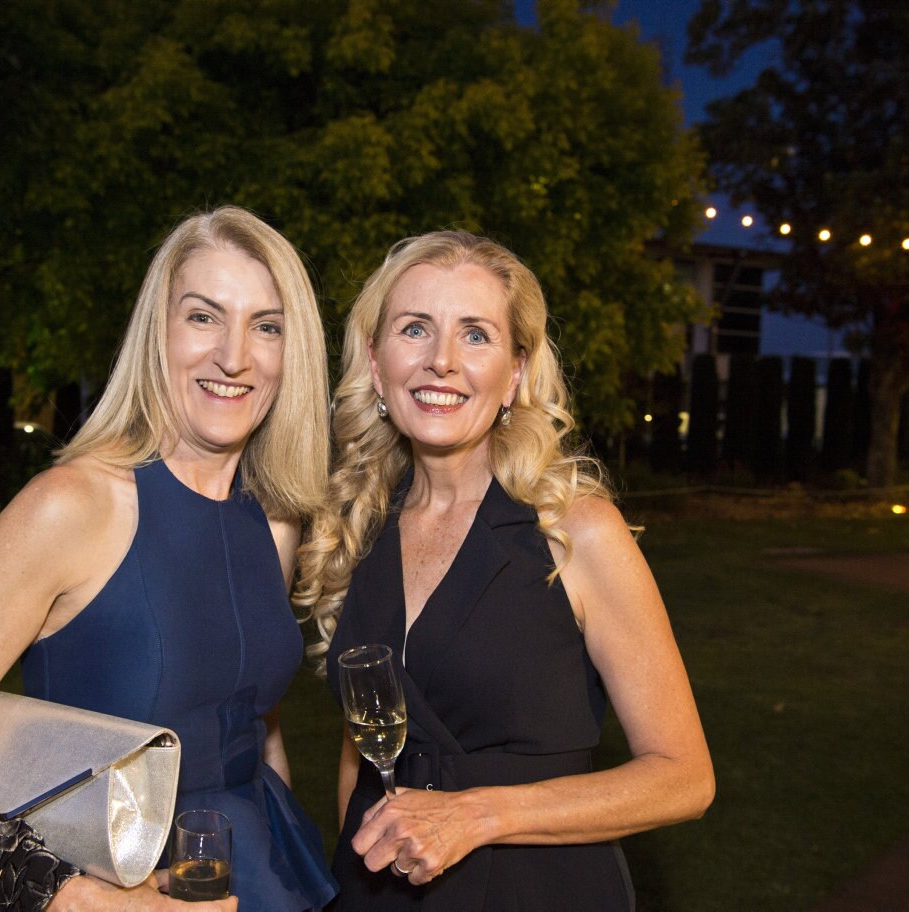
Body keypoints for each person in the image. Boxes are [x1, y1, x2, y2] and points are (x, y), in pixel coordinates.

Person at [0, 207, 338, 912]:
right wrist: (72, 900)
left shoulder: (275, 520)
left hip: (255, 875)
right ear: (157, 333)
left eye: (267, 326)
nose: (235, 355)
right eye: (204, 317)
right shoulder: (71, 507)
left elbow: (255, 728)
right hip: (103, 887)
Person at [295, 231, 714, 909]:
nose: (441, 362)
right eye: (414, 329)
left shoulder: (575, 532)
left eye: (476, 335)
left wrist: (478, 814)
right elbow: (363, 749)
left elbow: (685, 778)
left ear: (516, 371)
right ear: (376, 364)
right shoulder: (357, 530)